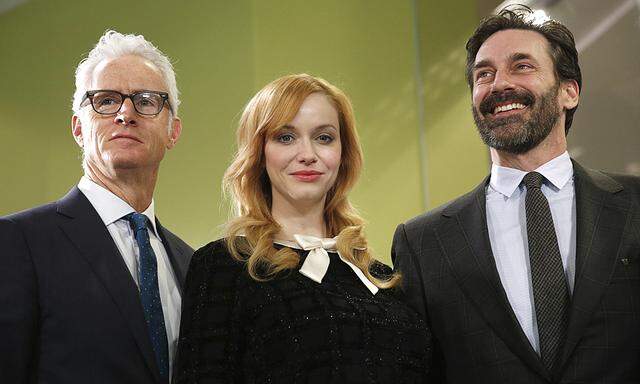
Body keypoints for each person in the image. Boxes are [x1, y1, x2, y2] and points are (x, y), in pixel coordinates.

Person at [392, 6, 640, 383]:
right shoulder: (422, 242)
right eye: (484, 74)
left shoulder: (635, 205)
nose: (498, 84)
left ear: (568, 92)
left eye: (521, 66)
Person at [174, 74, 431, 383]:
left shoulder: (382, 278)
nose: (307, 154)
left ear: (343, 154)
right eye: (286, 137)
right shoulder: (224, 266)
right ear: (259, 153)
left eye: (324, 137)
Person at [0, 30, 193, 384]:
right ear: (78, 128)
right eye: (105, 101)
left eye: (147, 101)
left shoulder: (192, 264)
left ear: (173, 131)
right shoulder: (17, 242)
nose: (126, 113)